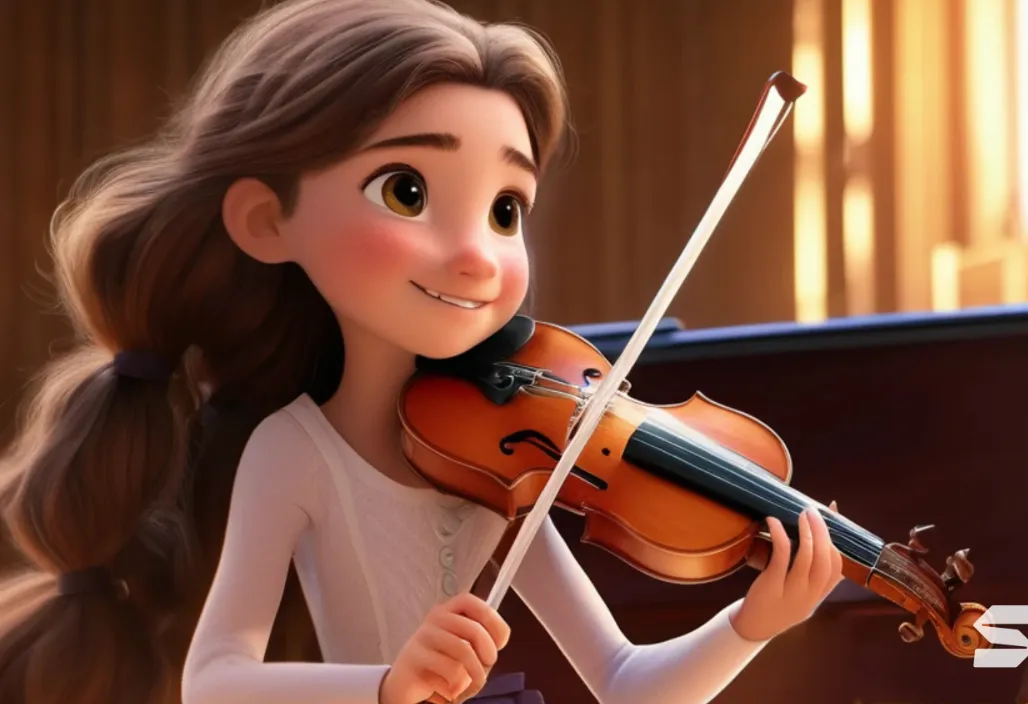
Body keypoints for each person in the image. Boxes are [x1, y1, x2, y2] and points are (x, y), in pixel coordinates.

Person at [0, 1, 845, 702]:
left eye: (506, 210)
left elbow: (622, 682)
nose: (478, 254)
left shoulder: (505, 470)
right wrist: (386, 682)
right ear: (268, 221)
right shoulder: (295, 451)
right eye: (407, 191)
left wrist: (747, 626)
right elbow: (216, 679)